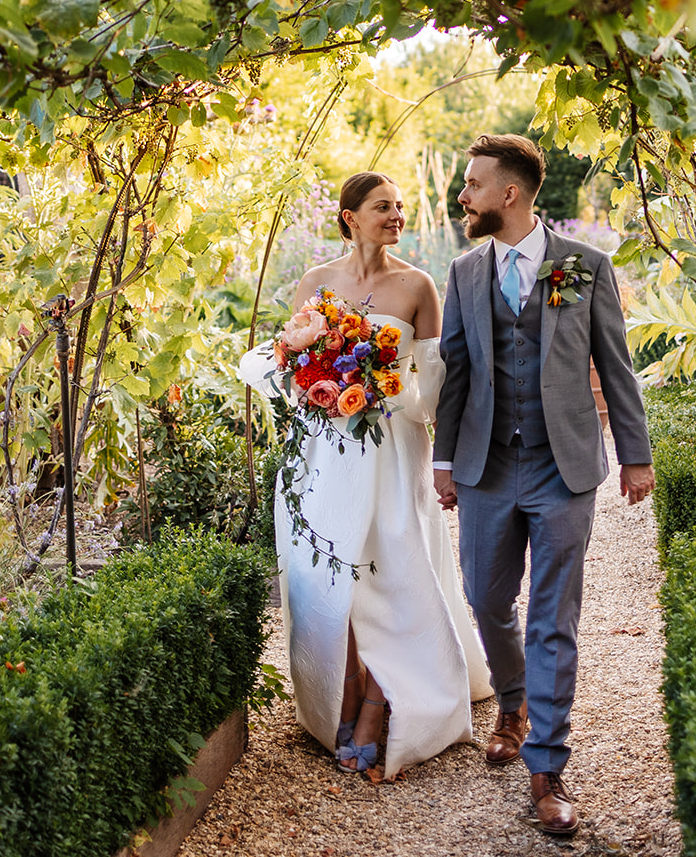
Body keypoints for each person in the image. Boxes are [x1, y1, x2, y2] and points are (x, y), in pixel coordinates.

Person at [432, 134, 654, 837]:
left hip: (564, 469)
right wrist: (443, 461)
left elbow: (614, 366)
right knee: (486, 598)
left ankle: (545, 767)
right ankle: (513, 699)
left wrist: (635, 454)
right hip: (487, 465)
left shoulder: (584, 266)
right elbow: (456, 372)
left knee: (552, 616)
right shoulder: (465, 271)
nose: (462, 196)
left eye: (472, 184)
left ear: (511, 194)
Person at [241, 171, 492, 780]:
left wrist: (379, 388)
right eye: (384, 207)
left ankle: (382, 702)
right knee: (331, 563)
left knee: (391, 563)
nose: (396, 215)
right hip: (325, 453)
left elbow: (434, 381)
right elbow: (293, 362)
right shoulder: (316, 281)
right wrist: (320, 385)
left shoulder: (418, 286)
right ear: (351, 216)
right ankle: (344, 689)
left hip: (392, 448)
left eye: (401, 207)